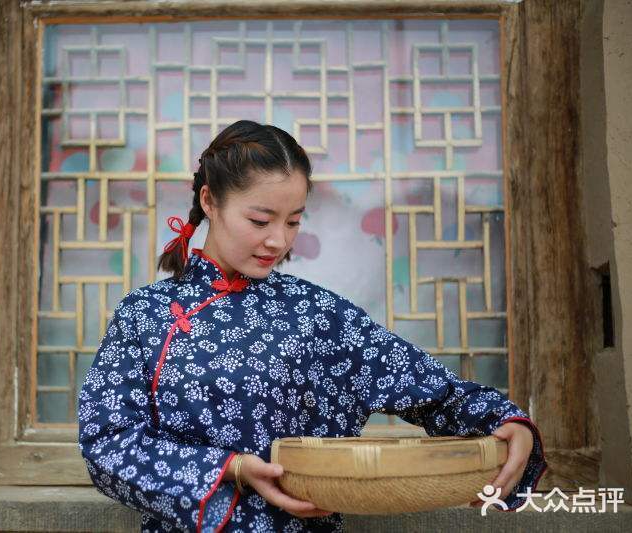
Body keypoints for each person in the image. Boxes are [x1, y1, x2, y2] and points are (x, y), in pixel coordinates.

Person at [77, 120, 547, 532]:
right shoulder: (147, 314)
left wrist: (507, 424)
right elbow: (107, 442)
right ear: (210, 201)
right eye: (260, 219)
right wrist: (231, 468)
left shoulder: (316, 314)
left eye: (294, 221)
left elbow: (433, 391)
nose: (278, 239)